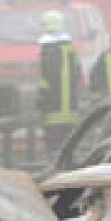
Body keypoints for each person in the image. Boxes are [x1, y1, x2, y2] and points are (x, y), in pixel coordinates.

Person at [37, 10, 83, 152]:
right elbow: (78, 77)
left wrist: (40, 102)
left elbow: (46, 82)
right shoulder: (71, 51)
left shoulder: (49, 52)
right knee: (69, 153)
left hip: (53, 115)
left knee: (55, 155)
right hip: (72, 113)